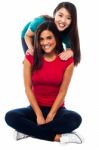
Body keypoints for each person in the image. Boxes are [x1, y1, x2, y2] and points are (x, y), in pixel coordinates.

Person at [5, 21, 82, 144]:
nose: (45, 43)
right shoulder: (30, 57)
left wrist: (51, 115)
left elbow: (63, 92)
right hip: (35, 109)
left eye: (49, 38)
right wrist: (39, 115)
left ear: (56, 38)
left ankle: (26, 131)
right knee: (10, 116)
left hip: (57, 110)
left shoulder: (67, 61)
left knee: (75, 119)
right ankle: (59, 137)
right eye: (41, 39)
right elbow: (27, 88)